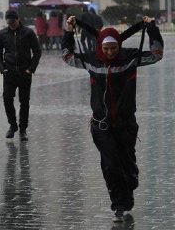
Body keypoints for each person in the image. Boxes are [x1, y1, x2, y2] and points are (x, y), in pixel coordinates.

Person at [62, 15, 163, 222]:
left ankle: (130, 181)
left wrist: (152, 29)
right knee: (110, 164)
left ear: (119, 47)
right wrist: (69, 32)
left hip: (125, 125)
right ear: (100, 46)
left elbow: (156, 54)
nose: (109, 52)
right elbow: (67, 56)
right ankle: (119, 205)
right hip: (101, 126)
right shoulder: (90, 59)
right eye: (106, 49)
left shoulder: (130, 58)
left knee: (126, 164)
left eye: (113, 48)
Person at [0, 9, 41, 141]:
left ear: (18, 19)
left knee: (24, 102)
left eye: (13, 22)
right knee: (7, 99)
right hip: (9, 73)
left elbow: (37, 51)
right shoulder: (3, 34)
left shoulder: (28, 33)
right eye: (9, 23)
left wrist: (31, 69)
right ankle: (13, 125)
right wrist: (2, 69)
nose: (11, 25)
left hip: (24, 73)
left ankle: (23, 129)